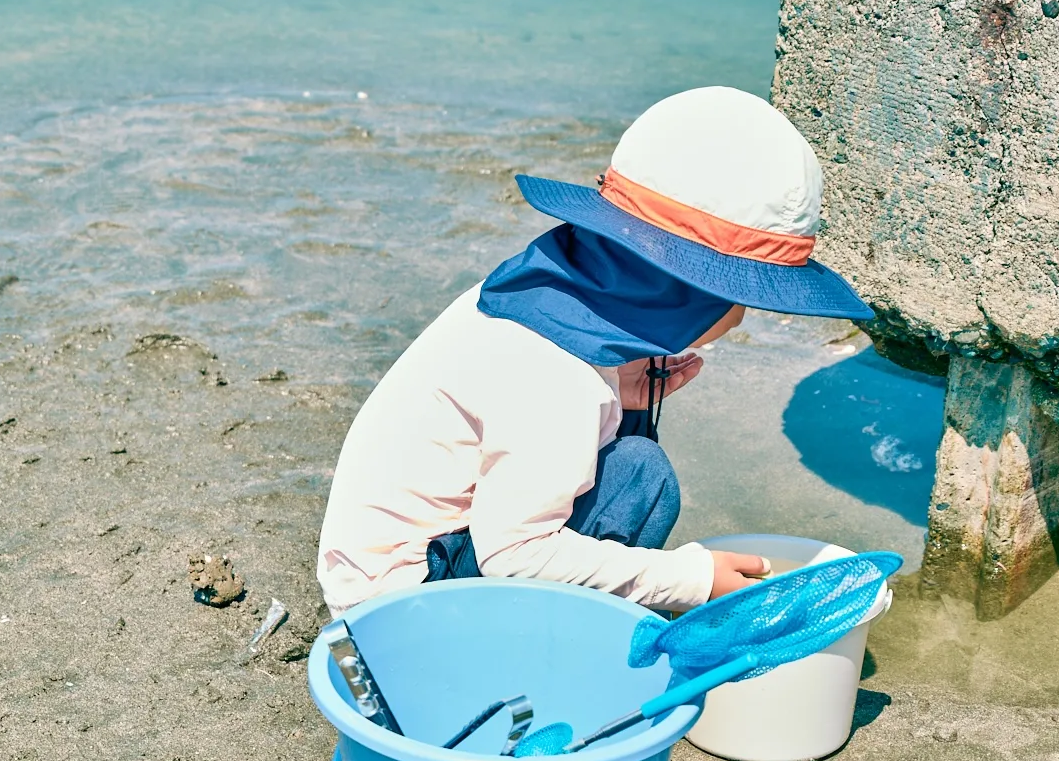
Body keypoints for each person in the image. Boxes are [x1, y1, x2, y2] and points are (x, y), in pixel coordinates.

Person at [316, 86, 874, 616]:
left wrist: (620, 395)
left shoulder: (539, 301)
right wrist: (692, 578)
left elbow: (517, 428)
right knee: (641, 477)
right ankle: (524, 654)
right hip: (402, 608)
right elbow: (513, 554)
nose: (742, 316)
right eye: (740, 297)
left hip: (376, 568)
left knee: (629, 458)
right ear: (685, 294)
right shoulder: (557, 376)